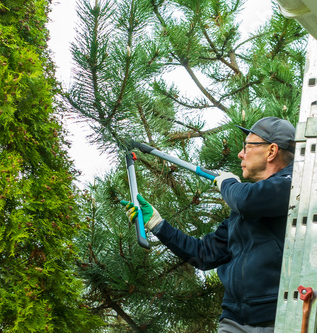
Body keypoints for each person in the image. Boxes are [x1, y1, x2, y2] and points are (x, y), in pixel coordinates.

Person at [123, 117, 296, 333]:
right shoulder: (243, 209)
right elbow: (204, 254)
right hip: (234, 321)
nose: (240, 154)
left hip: (279, 320)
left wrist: (228, 183)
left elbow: (248, 199)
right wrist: (158, 225)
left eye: (247, 146)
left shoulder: (294, 185)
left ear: (271, 151)